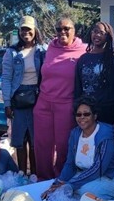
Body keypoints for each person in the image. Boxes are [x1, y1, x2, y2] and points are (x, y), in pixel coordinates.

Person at [42, 96, 114, 200]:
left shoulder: (105, 135)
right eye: (78, 114)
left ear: (95, 116)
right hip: (91, 174)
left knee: (82, 192)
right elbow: (70, 164)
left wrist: (69, 185)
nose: (82, 117)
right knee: (61, 189)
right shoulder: (75, 134)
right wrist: (57, 184)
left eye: (86, 114)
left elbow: (98, 169)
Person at [33, 16, 87, 180]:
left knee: (64, 145)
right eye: (58, 29)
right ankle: (43, 179)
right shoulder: (50, 48)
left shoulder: (84, 49)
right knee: (42, 145)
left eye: (66, 29)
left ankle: (61, 179)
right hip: (44, 103)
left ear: (74, 31)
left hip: (66, 104)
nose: (62, 32)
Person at [1, 16, 45, 174]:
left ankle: (34, 173)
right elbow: (6, 78)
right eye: (23, 29)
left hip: (37, 97)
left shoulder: (42, 51)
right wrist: (7, 103)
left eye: (29, 29)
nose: (26, 32)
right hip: (18, 98)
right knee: (20, 139)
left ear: (35, 31)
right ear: (19, 31)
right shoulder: (11, 53)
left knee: (35, 139)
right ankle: (21, 174)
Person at [74, 21, 114, 136]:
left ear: (108, 36)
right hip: (86, 114)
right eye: (95, 31)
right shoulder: (83, 59)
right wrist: (77, 113)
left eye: (101, 33)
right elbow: (78, 88)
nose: (97, 35)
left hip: (107, 114)